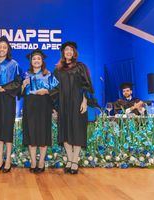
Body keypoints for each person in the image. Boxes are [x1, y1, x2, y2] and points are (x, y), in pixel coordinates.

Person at [54, 41, 94, 174]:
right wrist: (54, 107)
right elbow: (54, 89)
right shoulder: (58, 69)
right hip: (63, 104)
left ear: (74, 52)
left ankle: (75, 161)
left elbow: (87, 85)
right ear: (63, 53)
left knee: (77, 131)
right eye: (66, 50)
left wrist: (85, 101)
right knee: (65, 131)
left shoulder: (80, 67)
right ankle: (70, 160)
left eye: (71, 50)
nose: (68, 52)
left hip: (77, 103)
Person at [0, 36, 22, 173]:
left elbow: (18, 81)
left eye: (4, 47)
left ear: (8, 49)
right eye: (0, 47)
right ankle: (0, 159)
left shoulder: (14, 64)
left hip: (8, 98)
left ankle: (8, 160)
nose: (2, 49)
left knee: (7, 128)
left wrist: (3, 88)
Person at [22, 49, 59, 173]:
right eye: (34, 59)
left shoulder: (48, 74)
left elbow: (57, 89)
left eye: (38, 58)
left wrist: (46, 91)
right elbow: (19, 92)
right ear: (31, 61)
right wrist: (23, 85)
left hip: (44, 105)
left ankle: (41, 162)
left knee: (43, 133)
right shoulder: (26, 74)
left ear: (42, 61)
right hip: (30, 104)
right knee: (31, 133)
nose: (36, 61)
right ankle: (33, 161)